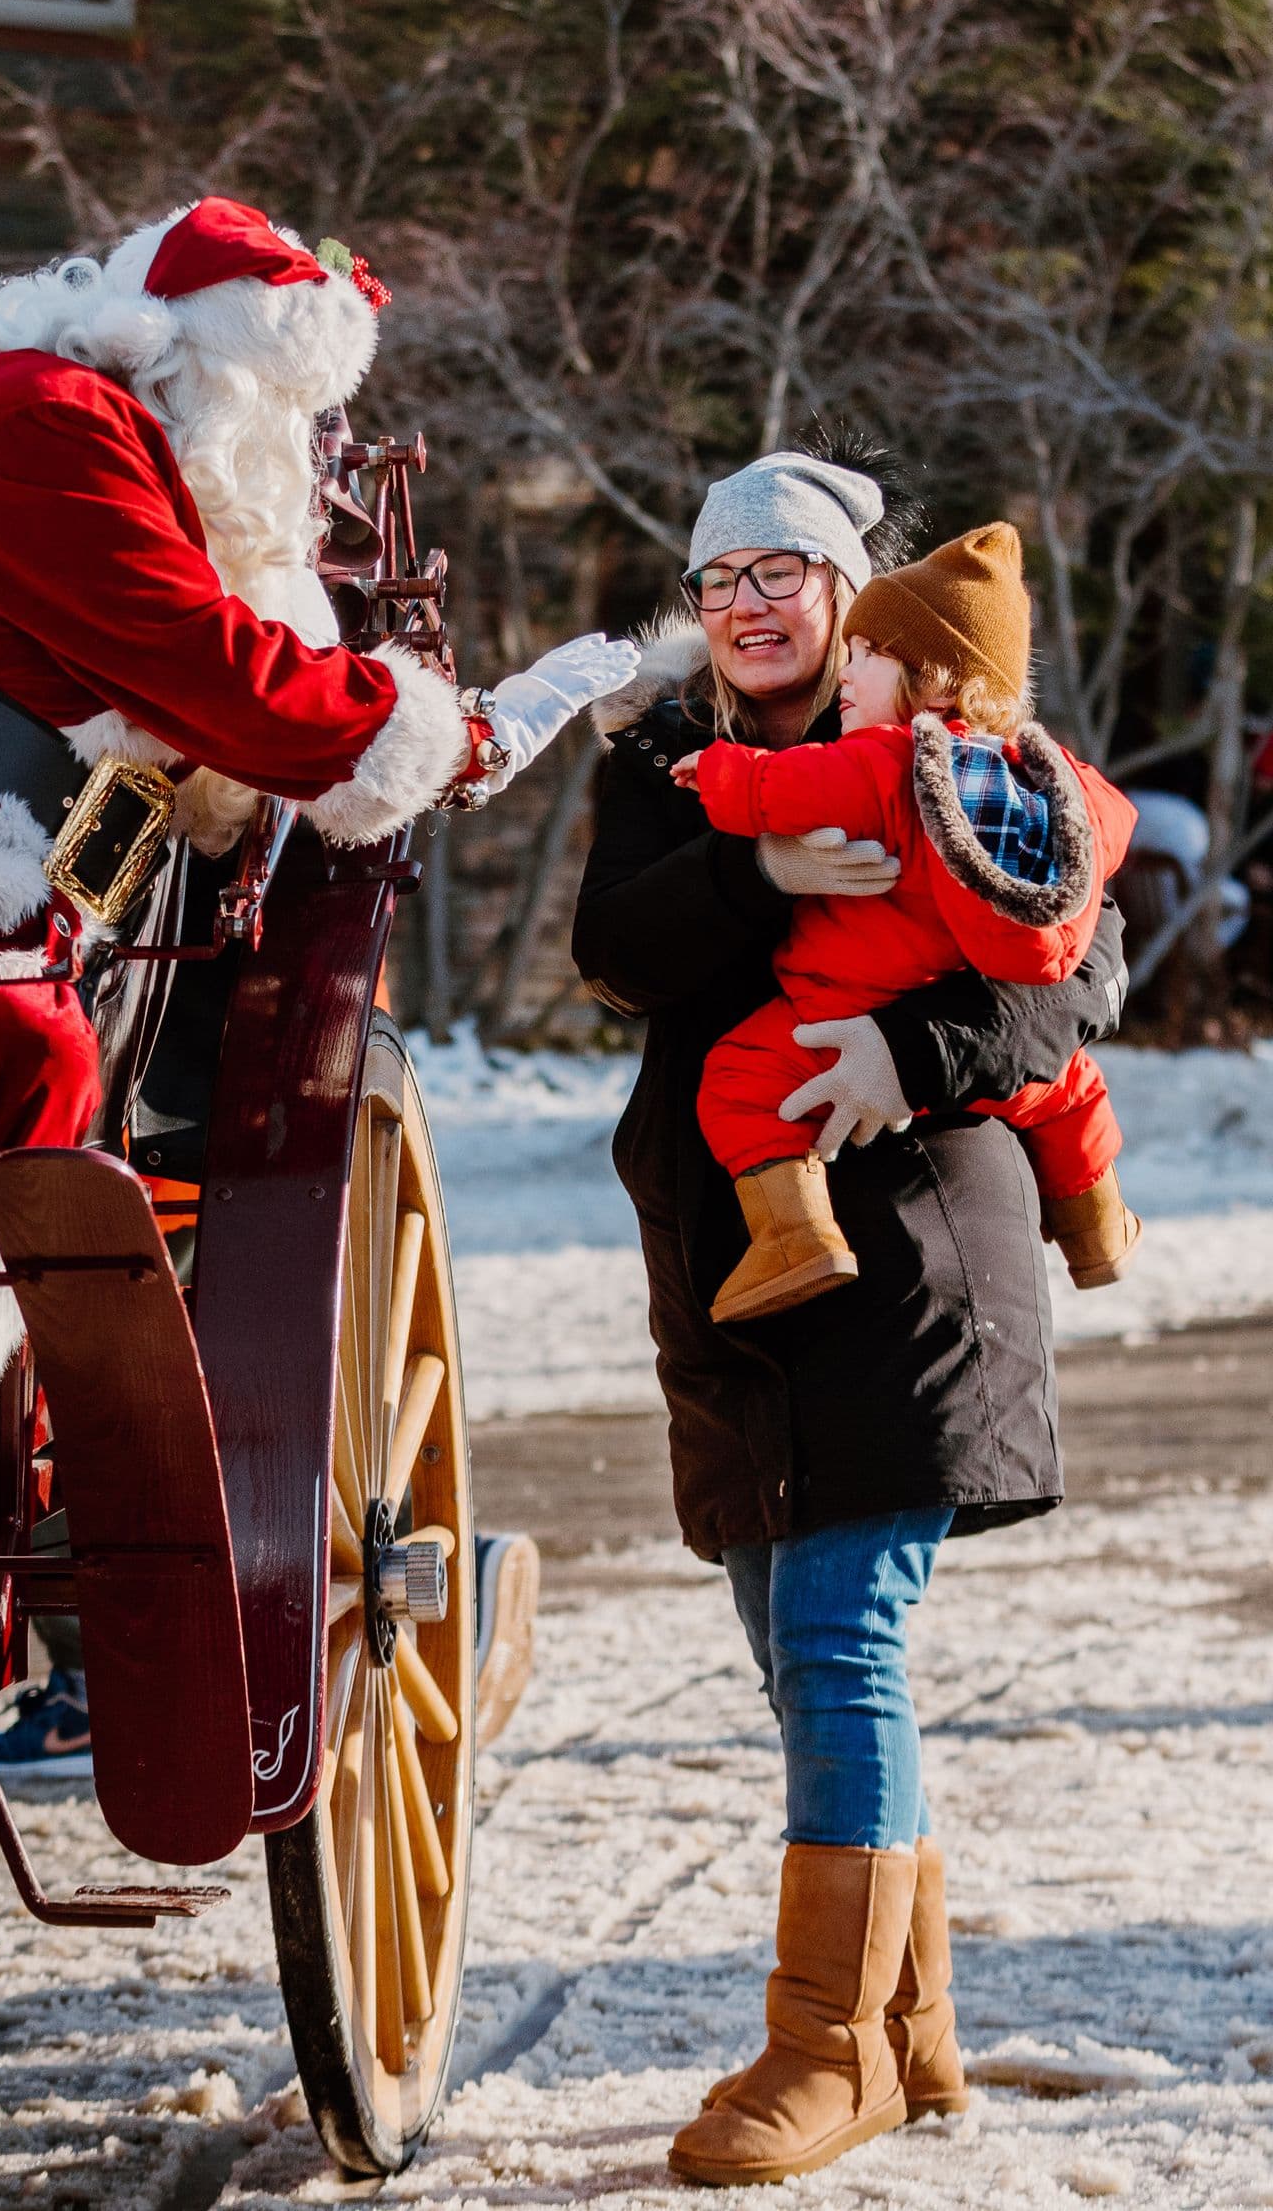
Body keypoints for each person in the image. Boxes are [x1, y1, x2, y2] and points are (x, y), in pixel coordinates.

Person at [0, 193, 635, 1760]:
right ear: (213, 369)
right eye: (289, 412)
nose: (288, 454)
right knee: (26, 1045)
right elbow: (221, 668)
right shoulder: (52, 428)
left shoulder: (63, 417)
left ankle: (1, 1501)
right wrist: (445, 733)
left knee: (58, 1028)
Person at [571, 445, 1130, 2189]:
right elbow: (620, 946)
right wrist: (776, 860)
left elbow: (1077, 975)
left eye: (784, 572)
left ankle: (830, 2047)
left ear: (843, 591)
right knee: (794, 1645)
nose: (748, 600)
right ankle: (910, 2017)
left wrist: (912, 1049)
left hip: (906, 1250)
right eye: (722, 573)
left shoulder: (974, 741)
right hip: (732, 1256)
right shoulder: (670, 758)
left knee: (838, 1639)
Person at [676, 522, 1140, 1324]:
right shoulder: (1040, 778)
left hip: (836, 1018)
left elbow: (782, 790)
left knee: (735, 1079)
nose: (846, 674)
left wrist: (714, 771)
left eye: (866, 656)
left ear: (929, 674)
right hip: (964, 1035)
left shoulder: (887, 760)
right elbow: (1114, 822)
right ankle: (1097, 1229)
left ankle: (796, 1236)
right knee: (1067, 1088)